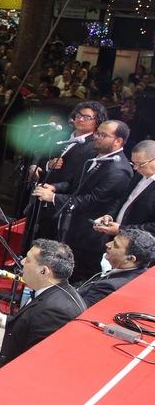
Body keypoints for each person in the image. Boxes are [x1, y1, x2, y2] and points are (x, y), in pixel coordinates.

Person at [33, 120, 132, 284]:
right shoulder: (94, 156)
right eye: (97, 133)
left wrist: (53, 198)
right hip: (71, 223)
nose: (96, 137)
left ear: (118, 141)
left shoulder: (119, 169)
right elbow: (73, 182)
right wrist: (54, 187)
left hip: (88, 232)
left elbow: (93, 200)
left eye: (103, 135)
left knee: (77, 276)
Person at [0, 240, 84, 381]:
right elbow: (32, 322)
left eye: (28, 260)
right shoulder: (60, 292)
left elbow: (35, 367)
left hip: (8, 376)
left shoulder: (55, 311)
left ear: (43, 271)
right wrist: (4, 320)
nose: (23, 262)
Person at [32, 101, 103, 238]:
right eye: (78, 115)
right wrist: (46, 165)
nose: (80, 119)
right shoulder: (62, 136)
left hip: (62, 199)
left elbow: (78, 177)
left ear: (97, 122)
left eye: (87, 117)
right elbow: (43, 156)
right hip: (42, 192)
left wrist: (55, 189)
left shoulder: (93, 147)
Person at [92, 138, 155, 238]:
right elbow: (123, 201)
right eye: (133, 163)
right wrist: (109, 216)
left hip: (138, 244)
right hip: (116, 237)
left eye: (140, 164)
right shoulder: (139, 175)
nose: (135, 168)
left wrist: (122, 230)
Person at [81, 228, 155, 306]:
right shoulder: (143, 276)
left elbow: (74, 312)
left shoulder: (109, 287)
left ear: (130, 259)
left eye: (115, 245)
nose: (108, 244)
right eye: (113, 240)